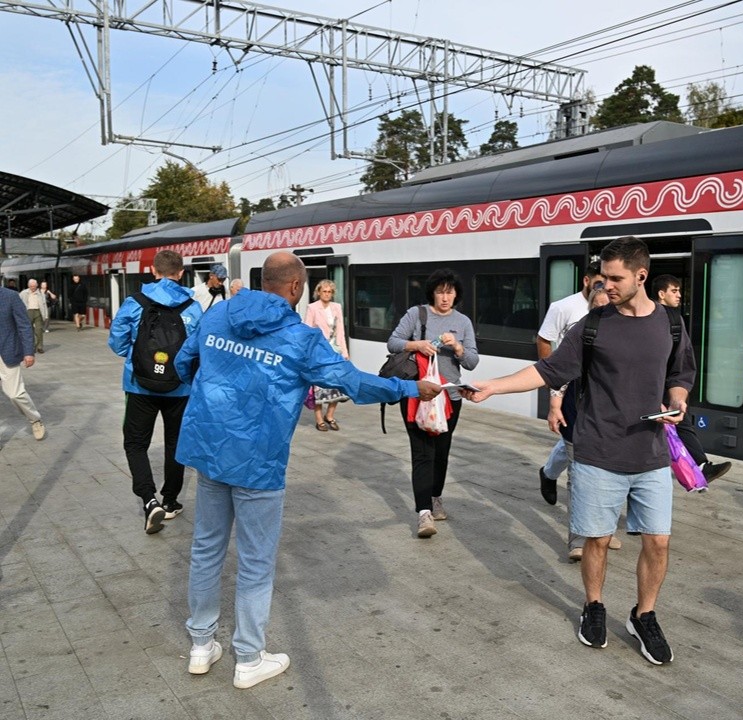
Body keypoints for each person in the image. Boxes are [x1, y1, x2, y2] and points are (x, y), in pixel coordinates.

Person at [173, 251, 439, 689]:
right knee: (255, 561)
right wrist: (411, 387)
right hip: (259, 460)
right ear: (296, 288)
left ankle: (201, 645)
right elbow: (352, 382)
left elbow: (186, 362)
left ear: (264, 281)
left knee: (206, 548)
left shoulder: (217, 314)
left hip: (210, 448)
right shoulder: (300, 337)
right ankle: (248, 658)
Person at [464, 237, 696, 665]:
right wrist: (493, 386)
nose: (604, 285)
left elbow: (680, 372)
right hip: (596, 452)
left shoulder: (671, 323)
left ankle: (644, 616)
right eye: (602, 276)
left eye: (614, 278)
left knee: (658, 542)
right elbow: (547, 370)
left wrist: (678, 401)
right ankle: (593, 606)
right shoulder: (593, 325)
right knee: (598, 540)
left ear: (641, 276)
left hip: (651, 454)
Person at [108, 250, 203, 534]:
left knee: (135, 444)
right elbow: (197, 349)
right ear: (181, 272)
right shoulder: (193, 307)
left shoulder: (134, 302)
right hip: (180, 387)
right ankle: (171, 501)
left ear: (153, 270)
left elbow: (116, 342)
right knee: (176, 443)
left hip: (139, 386)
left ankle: (150, 501)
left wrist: (138, 361)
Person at [387, 268, 479, 539]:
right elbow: (393, 342)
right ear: (432, 293)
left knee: (441, 452)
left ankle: (436, 496)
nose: (445, 297)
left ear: (456, 294)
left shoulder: (463, 322)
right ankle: (423, 513)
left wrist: (459, 349)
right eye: (440, 291)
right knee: (422, 453)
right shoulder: (417, 314)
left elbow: (472, 362)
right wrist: (419, 345)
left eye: (450, 292)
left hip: (449, 398)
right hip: (417, 394)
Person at [546, 287, 625, 561]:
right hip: (576, 416)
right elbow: (558, 371)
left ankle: (605, 531)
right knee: (578, 480)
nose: (604, 311)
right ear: (590, 308)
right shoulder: (581, 332)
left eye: (609, 306)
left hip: (610, 423)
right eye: (598, 306)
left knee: (610, 479)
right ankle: (578, 540)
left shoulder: (625, 334)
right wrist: (555, 405)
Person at [535, 261, 605, 510]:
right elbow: (545, 340)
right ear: (586, 281)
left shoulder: (613, 306)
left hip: (599, 389)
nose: (604, 286)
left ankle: (548, 473)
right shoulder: (563, 307)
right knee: (573, 439)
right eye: (599, 282)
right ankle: (581, 534)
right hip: (570, 384)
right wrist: (551, 378)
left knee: (574, 442)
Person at [651, 274, 731, 483]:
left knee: (681, 422)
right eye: (674, 291)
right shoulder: (671, 319)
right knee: (679, 422)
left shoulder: (673, 319)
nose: (678, 295)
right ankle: (699, 465)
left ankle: (701, 465)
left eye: (679, 291)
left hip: (667, 382)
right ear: (661, 294)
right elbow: (684, 355)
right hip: (662, 382)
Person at [0, 285, 46, 440]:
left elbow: (24, 325)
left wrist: (28, 352)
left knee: (14, 394)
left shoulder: (11, 296)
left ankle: (35, 419)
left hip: (6, 351)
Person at [304, 279, 349, 431]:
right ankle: (319, 419)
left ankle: (329, 415)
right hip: (319, 352)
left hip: (335, 351)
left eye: (330, 292)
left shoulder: (337, 307)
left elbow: (341, 331)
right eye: (324, 291)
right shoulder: (312, 308)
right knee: (319, 387)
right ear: (318, 292)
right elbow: (307, 331)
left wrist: (345, 352)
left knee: (336, 384)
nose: (327, 294)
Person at [19, 279, 47, 354]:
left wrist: (45, 315)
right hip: (28, 312)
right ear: (28, 286)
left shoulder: (41, 293)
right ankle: (30, 347)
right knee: (29, 331)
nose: (33, 288)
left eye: (34, 286)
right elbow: (18, 303)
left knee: (39, 330)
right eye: (31, 286)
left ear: (37, 285)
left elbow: (44, 305)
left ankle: (40, 347)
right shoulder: (23, 293)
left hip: (38, 312)